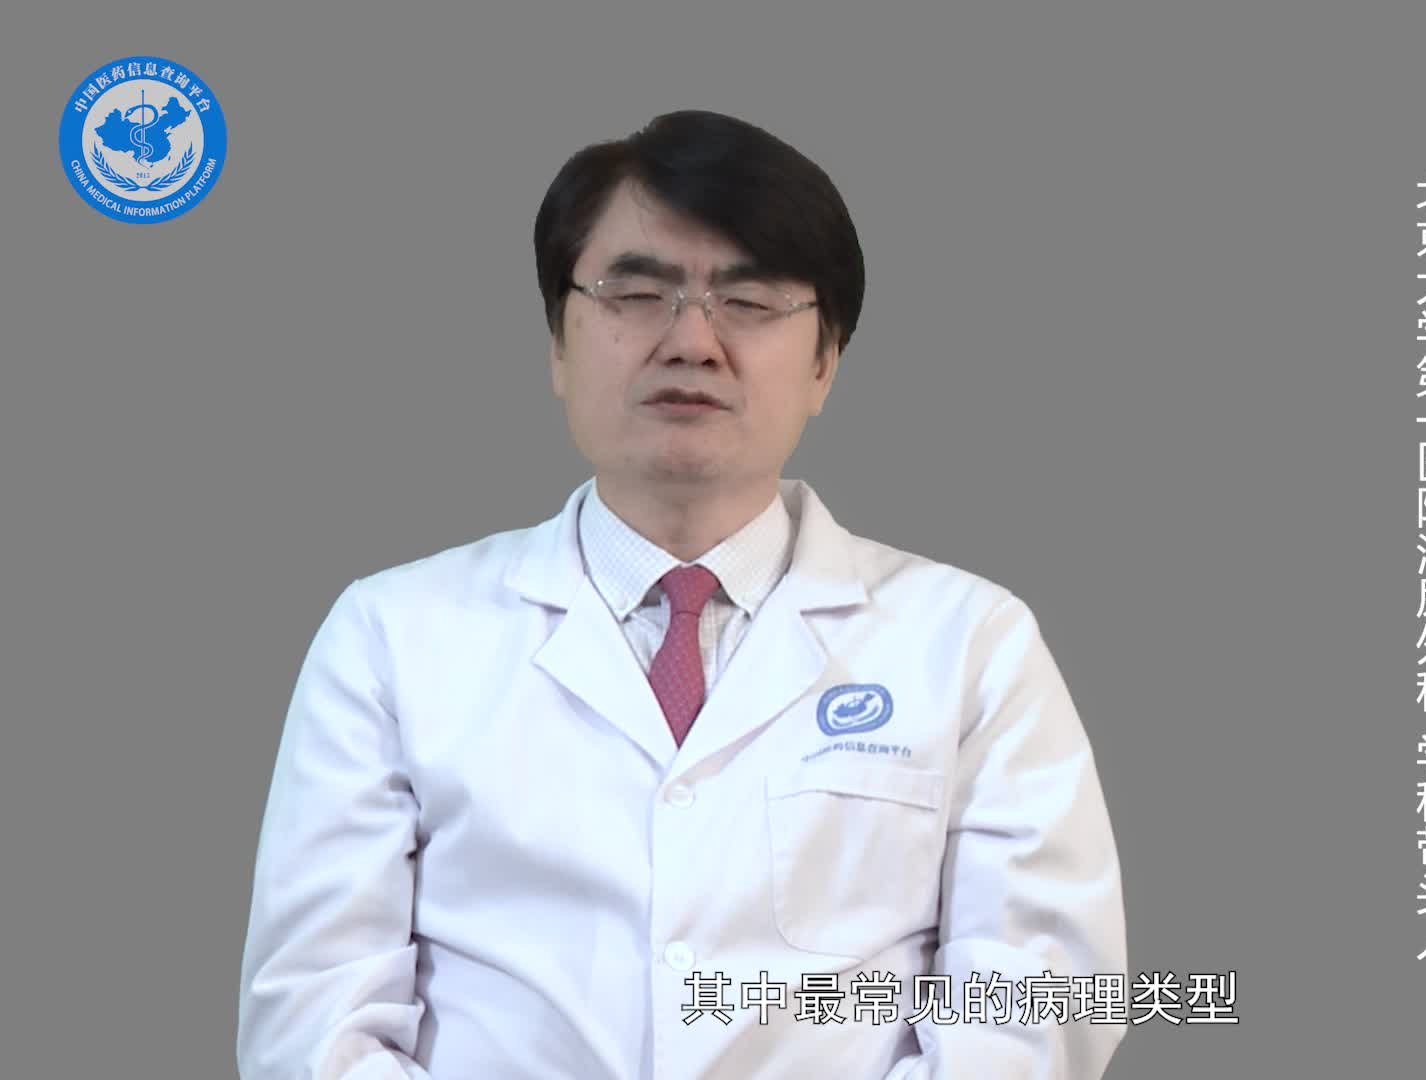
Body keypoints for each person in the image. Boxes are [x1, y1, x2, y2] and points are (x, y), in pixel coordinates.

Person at [235, 110, 1127, 1080]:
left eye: (749, 300)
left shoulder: (971, 644)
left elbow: (1040, 1005)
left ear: (824, 361)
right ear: (558, 344)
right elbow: (313, 1025)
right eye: (637, 292)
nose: (693, 341)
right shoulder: (390, 637)